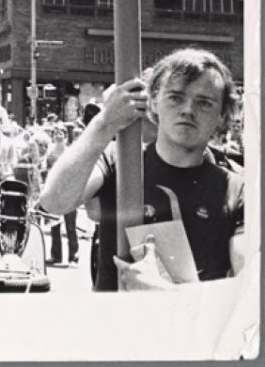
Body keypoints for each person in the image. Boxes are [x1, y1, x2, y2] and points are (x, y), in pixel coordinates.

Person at [40, 48, 244, 291]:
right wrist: (105, 122)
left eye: (204, 102)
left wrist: (167, 294)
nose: (188, 109)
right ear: (154, 103)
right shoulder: (117, 159)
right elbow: (54, 202)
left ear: (222, 116)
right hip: (114, 326)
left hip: (193, 328)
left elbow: (246, 290)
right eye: (175, 97)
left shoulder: (237, 188)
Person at [44, 124, 79, 266]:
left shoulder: (71, 152)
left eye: (62, 133)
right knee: (54, 225)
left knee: (71, 227)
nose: (59, 135)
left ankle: (73, 257)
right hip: (54, 192)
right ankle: (56, 256)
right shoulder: (49, 152)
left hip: (69, 192)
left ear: (66, 136)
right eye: (56, 132)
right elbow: (45, 172)